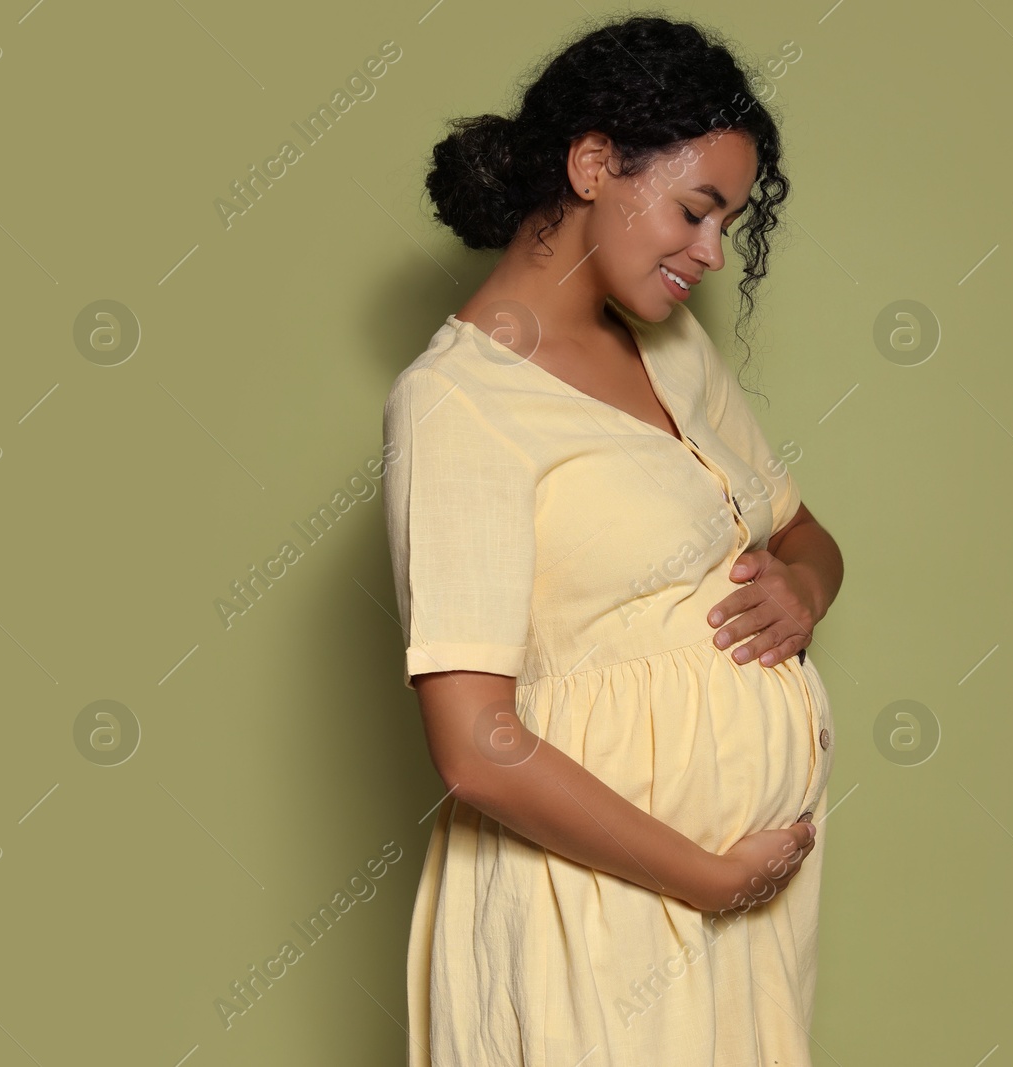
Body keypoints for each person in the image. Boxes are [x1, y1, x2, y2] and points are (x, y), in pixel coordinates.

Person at [382, 15, 844, 1066]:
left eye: (728, 219)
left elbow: (806, 532)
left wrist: (804, 590)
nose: (712, 253)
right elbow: (475, 747)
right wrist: (706, 876)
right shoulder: (458, 403)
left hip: (742, 916)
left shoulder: (669, 349)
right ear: (593, 163)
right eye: (694, 209)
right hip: (592, 914)